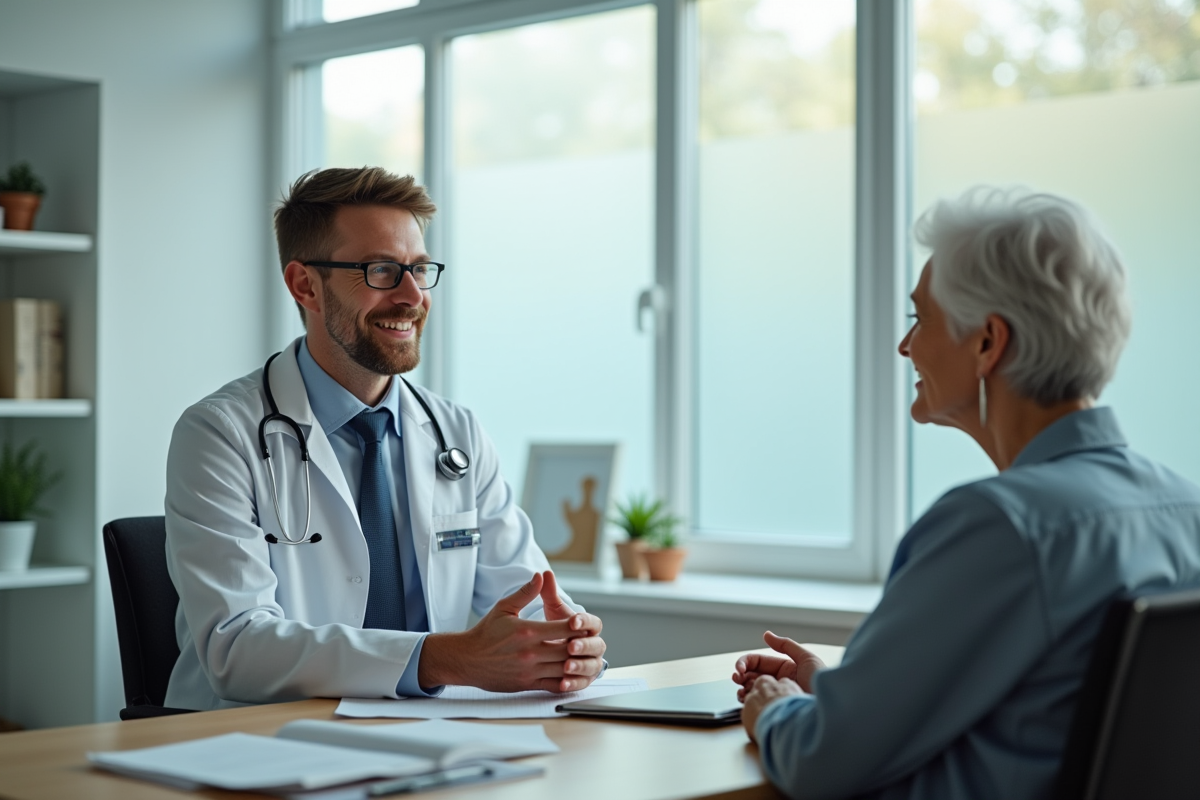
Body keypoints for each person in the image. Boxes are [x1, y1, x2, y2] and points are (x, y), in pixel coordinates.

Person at [733, 187, 1200, 799]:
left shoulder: (998, 526)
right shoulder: (1185, 509)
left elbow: (821, 763)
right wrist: (836, 691)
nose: (906, 347)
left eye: (918, 318)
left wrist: (775, 709)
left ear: (987, 342)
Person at [163, 167, 605, 710]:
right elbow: (237, 647)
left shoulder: (456, 434)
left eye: (419, 269)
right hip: (255, 740)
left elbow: (532, 600)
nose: (412, 296)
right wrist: (448, 659)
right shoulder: (219, 434)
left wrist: (570, 643)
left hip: (420, 739)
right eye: (380, 271)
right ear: (306, 285)